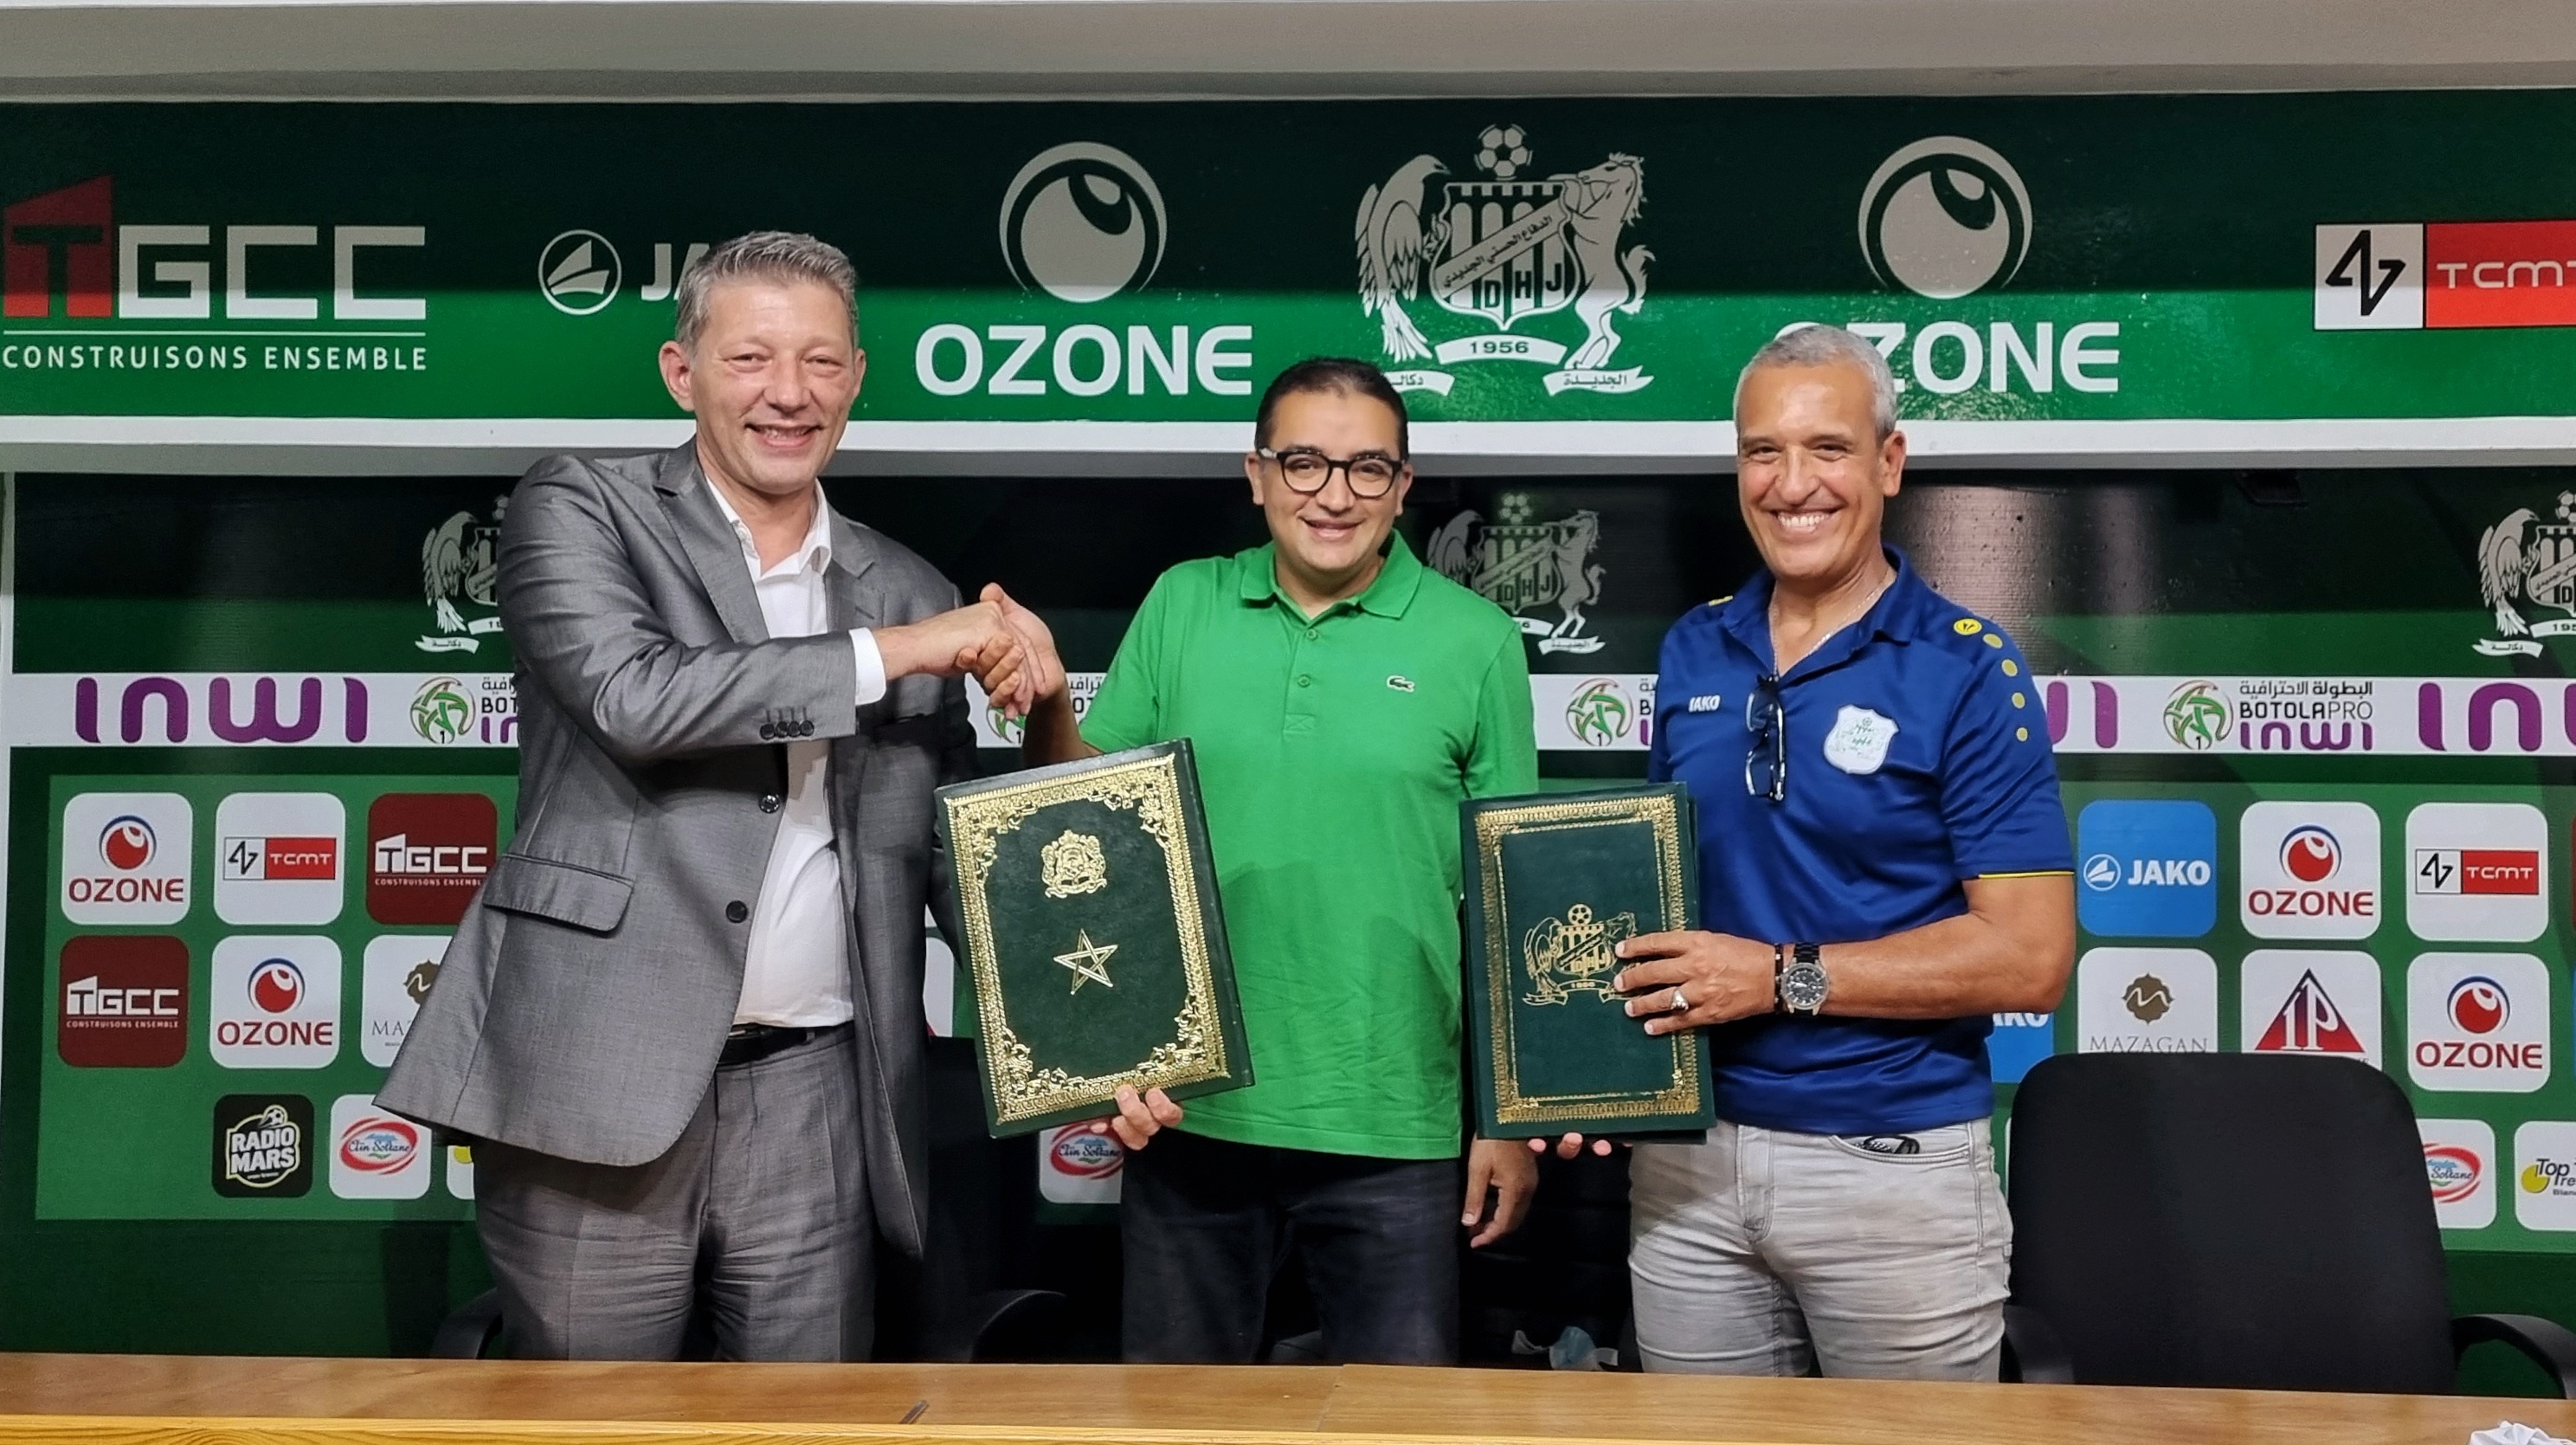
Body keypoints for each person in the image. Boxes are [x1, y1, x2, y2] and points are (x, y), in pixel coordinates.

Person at [379, 231, 1036, 1361]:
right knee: (589, 1431)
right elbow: (636, 698)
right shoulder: (582, 508)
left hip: (820, 1093)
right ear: (682, 373)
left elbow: (952, 859)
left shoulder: (906, 585)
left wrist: (1103, 1044)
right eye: (751, 358)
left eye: (821, 362)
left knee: (797, 1438)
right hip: (596, 1076)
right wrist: (897, 651)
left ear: (857, 379)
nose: (790, 392)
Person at [1549, 324, 2075, 1380]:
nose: (1793, 485)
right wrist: (1589, 1074)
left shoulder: (1969, 668)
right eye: (1763, 452)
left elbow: (2030, 957)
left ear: (1889, 461)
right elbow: (1662, 902)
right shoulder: (1694, 647)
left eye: (1828, 448)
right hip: (1689, 1172)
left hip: (1892, 1168)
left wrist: (1778, 976)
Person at [995, 357, 1540, 1364]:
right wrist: (1050, 702)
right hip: (1192, 1117)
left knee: (1396, 1438)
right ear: (1257, 475)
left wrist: (1508, 1119)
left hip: (1395, 1126)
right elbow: (1078, 820)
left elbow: (1514, 899)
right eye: (1304, 463)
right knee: (1180, 1430)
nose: (1334, 494)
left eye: (1367, 468)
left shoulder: (1478, 641)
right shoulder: (1183, 603)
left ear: (1403, 486)